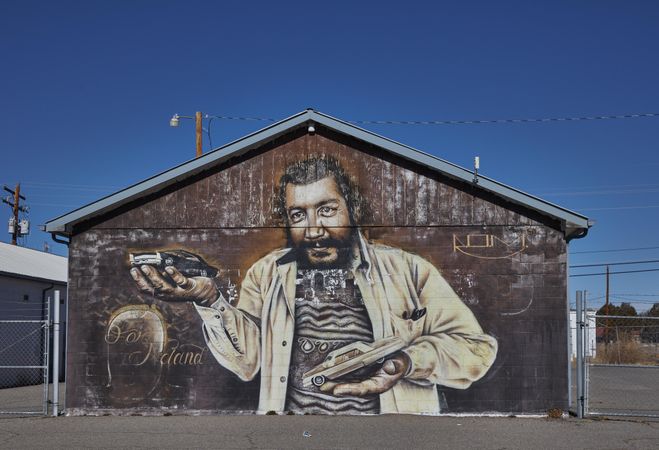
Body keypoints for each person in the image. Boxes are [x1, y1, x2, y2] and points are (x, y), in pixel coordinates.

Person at [130, 156, 497, 414]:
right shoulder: (266, 273)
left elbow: (475, 348)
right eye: (298, 215)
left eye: (326, 209)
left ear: (351, 209)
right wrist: (210, 300)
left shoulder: (408, 270)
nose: (314, 229)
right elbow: (247, 364)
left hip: (392, 438)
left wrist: (405, 361)